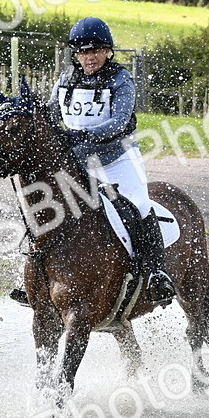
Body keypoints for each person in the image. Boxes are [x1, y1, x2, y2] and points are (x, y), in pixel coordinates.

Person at [43, 16, 177, 306]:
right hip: (78, 161)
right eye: (82, 51)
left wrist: (79, 135)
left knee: (140, 205)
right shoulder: (66, 79)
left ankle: (156, 274)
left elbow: (118, 123)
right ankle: (35, 276)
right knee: (45, 205)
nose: (88, 57)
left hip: (117, 159)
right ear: (75, 54)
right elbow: (51, 114)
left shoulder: (121, 79)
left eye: (95, 51)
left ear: (107, 51)